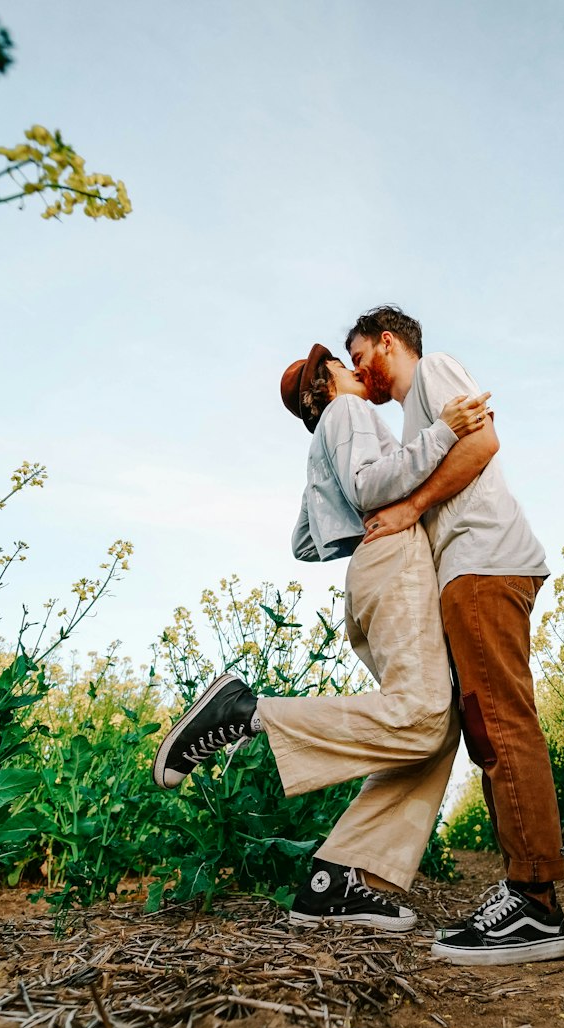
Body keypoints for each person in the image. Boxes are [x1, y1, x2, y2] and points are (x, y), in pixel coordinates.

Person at [152, 342, 491, 932]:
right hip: (395, 561)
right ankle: (244, 714)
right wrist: (439, 434)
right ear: (325, 387)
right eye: (342, 365)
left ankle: (340, 875)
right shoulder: (350, 414)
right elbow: (369, 487)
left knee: (431, 734)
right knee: (420, 715)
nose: (355, 369)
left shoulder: (324, 438)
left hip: (370, 571)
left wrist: (354, 530)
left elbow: (305, 542)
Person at [348, 305, 564, 965]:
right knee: (485, 726)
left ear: (388, 342)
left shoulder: (433, 374)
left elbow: (483, 444)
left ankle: (535, 901)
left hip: (484, 561)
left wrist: (413, 505)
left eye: (361, 357)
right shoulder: (416, 420)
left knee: (500, 722)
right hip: (465, 571)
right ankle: (526, 887)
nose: (361, 375)